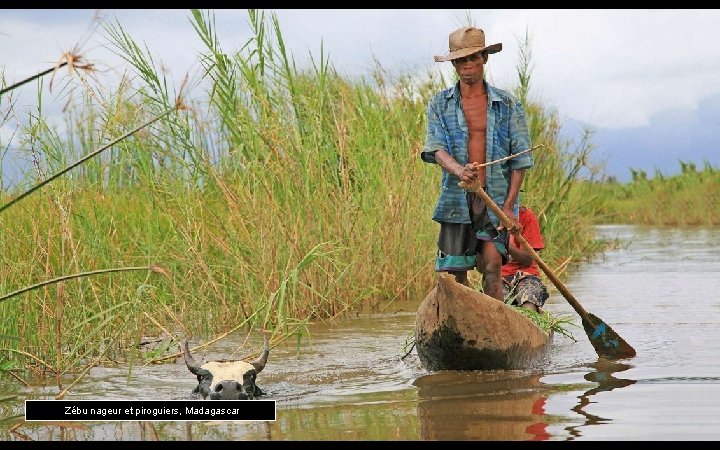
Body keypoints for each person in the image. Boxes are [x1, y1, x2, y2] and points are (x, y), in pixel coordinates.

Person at [420, 26, 533, 302]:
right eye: (460, 61)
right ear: (454, 65)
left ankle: (498, 331)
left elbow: (521, 158)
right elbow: (435, 148)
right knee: (454, 277)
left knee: (493, 268)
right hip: (455, 202)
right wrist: (460, 171)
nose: (467, 66)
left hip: (493, 201)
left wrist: (509, 207)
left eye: (472, 59)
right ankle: (466, 328)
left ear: (484, 58)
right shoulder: (440, 104)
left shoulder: (507, 104)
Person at [502, 205, 549, 313]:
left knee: (528, 303)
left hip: (526, 275)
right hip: (498, 277)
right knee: (499, 306)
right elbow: (482, 268)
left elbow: (528, 260)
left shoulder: (526, 216)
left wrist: (503, 242)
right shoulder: (486, 218)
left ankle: (533, 322)